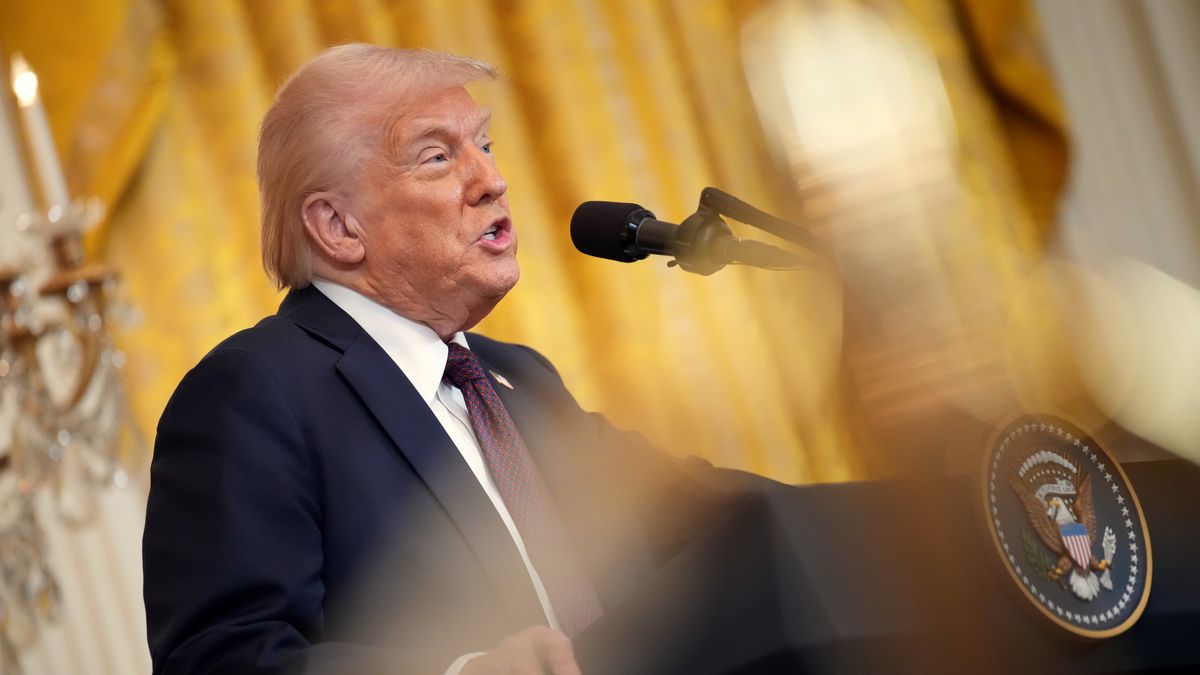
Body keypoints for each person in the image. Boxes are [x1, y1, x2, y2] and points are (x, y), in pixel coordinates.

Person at [142, 44, 721, 675]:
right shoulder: (253, 392)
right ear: (337, 226)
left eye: (485, 145)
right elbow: (223, 659)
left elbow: (689, 510)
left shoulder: (519, 377)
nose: (492, 181)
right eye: (438, 156)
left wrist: (840, 517)